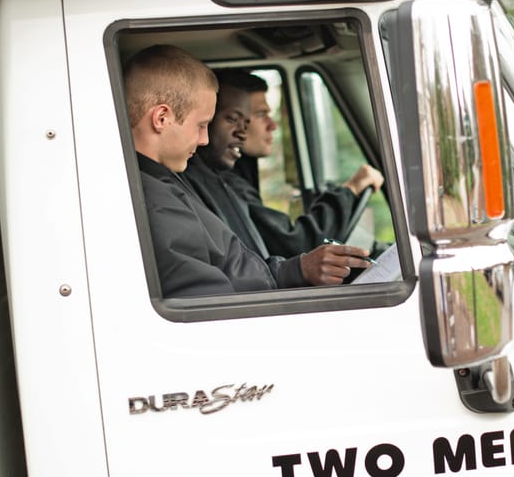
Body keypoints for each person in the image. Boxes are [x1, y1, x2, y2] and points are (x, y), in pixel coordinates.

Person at [125, 45, 371, 298]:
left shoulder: (169, 184)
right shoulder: (155, 203)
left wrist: (294, 271)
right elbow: (212, 304)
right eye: (201, 125)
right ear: (162, 118)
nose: (204, 140)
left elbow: (234, 270)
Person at [204, 69, 385, 258]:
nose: (273, 125)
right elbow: (298, 243)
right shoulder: (225, 184)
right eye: (260, 114)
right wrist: (351, 190)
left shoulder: (235, 178)